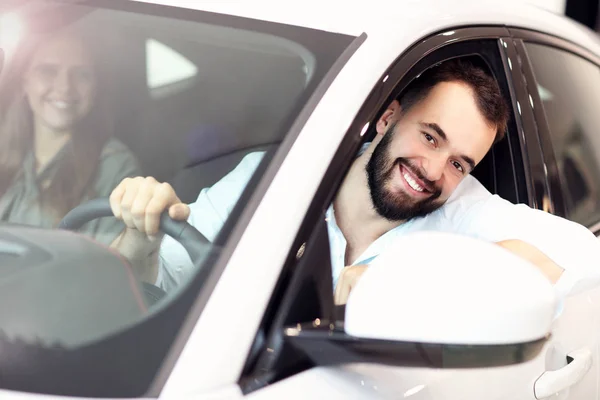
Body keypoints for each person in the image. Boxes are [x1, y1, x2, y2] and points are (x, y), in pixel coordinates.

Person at [108, 58, 600, 307]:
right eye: (430, 137)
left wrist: (408, 282)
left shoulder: (460, 211)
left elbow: (584, 259)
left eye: (459, 163)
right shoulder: (272, 176)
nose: (434, 171)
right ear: (387, 119)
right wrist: (140, 235)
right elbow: (158, 285)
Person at [0, 26, 141, 245]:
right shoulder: (5, 148)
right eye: (48, 71)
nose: (65, 87)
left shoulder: (115, 167)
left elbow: (113, 268)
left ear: (95, 88)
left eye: (81, 75)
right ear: (24, 81)